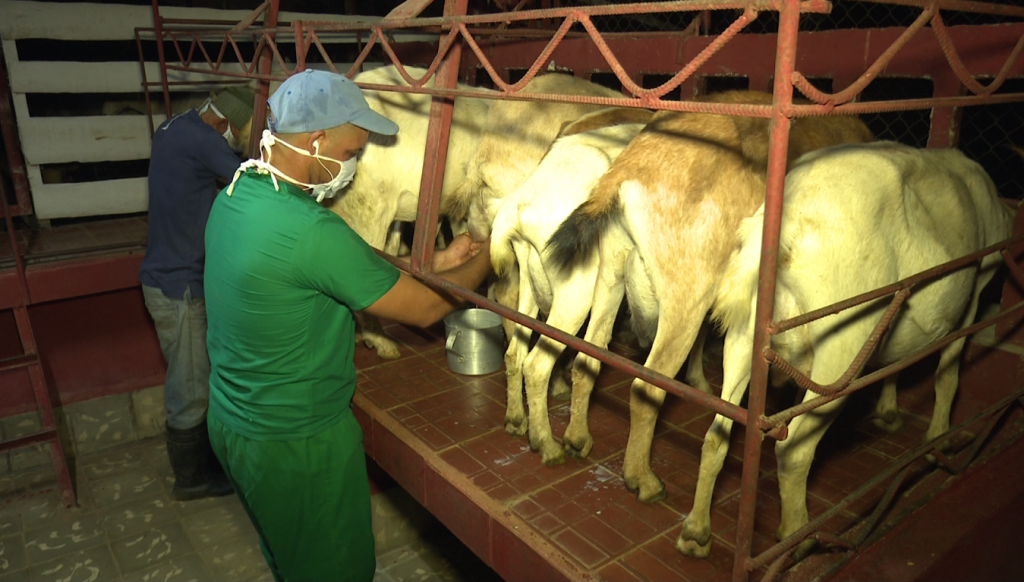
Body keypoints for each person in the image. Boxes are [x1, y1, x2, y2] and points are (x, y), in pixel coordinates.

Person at [203, 69, 493, 582]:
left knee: (293, 560)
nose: (352, 166)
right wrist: (492, 256)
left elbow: (352, 258)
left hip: (235, 425)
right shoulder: (310, 231)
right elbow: (427, 311)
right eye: (350, 151)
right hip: (299, 446)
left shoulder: (237, 194)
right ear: (316, 141)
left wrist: (442, 261)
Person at [139, 86, 256, 501]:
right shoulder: (207, 140)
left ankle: (205, 467)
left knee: (194, 377)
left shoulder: (172, 128)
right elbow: (248, 179)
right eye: (238, 134)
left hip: (162, 277)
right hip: (179, 288)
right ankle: (191, 480)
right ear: (223, 124)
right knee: (190, 387)